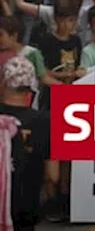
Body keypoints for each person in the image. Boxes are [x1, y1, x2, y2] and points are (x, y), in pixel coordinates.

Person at [0, 56, 57, 230]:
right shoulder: (45, 121)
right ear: (31, 87)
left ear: (3, 83)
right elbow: (52, 176)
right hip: (26, 210)